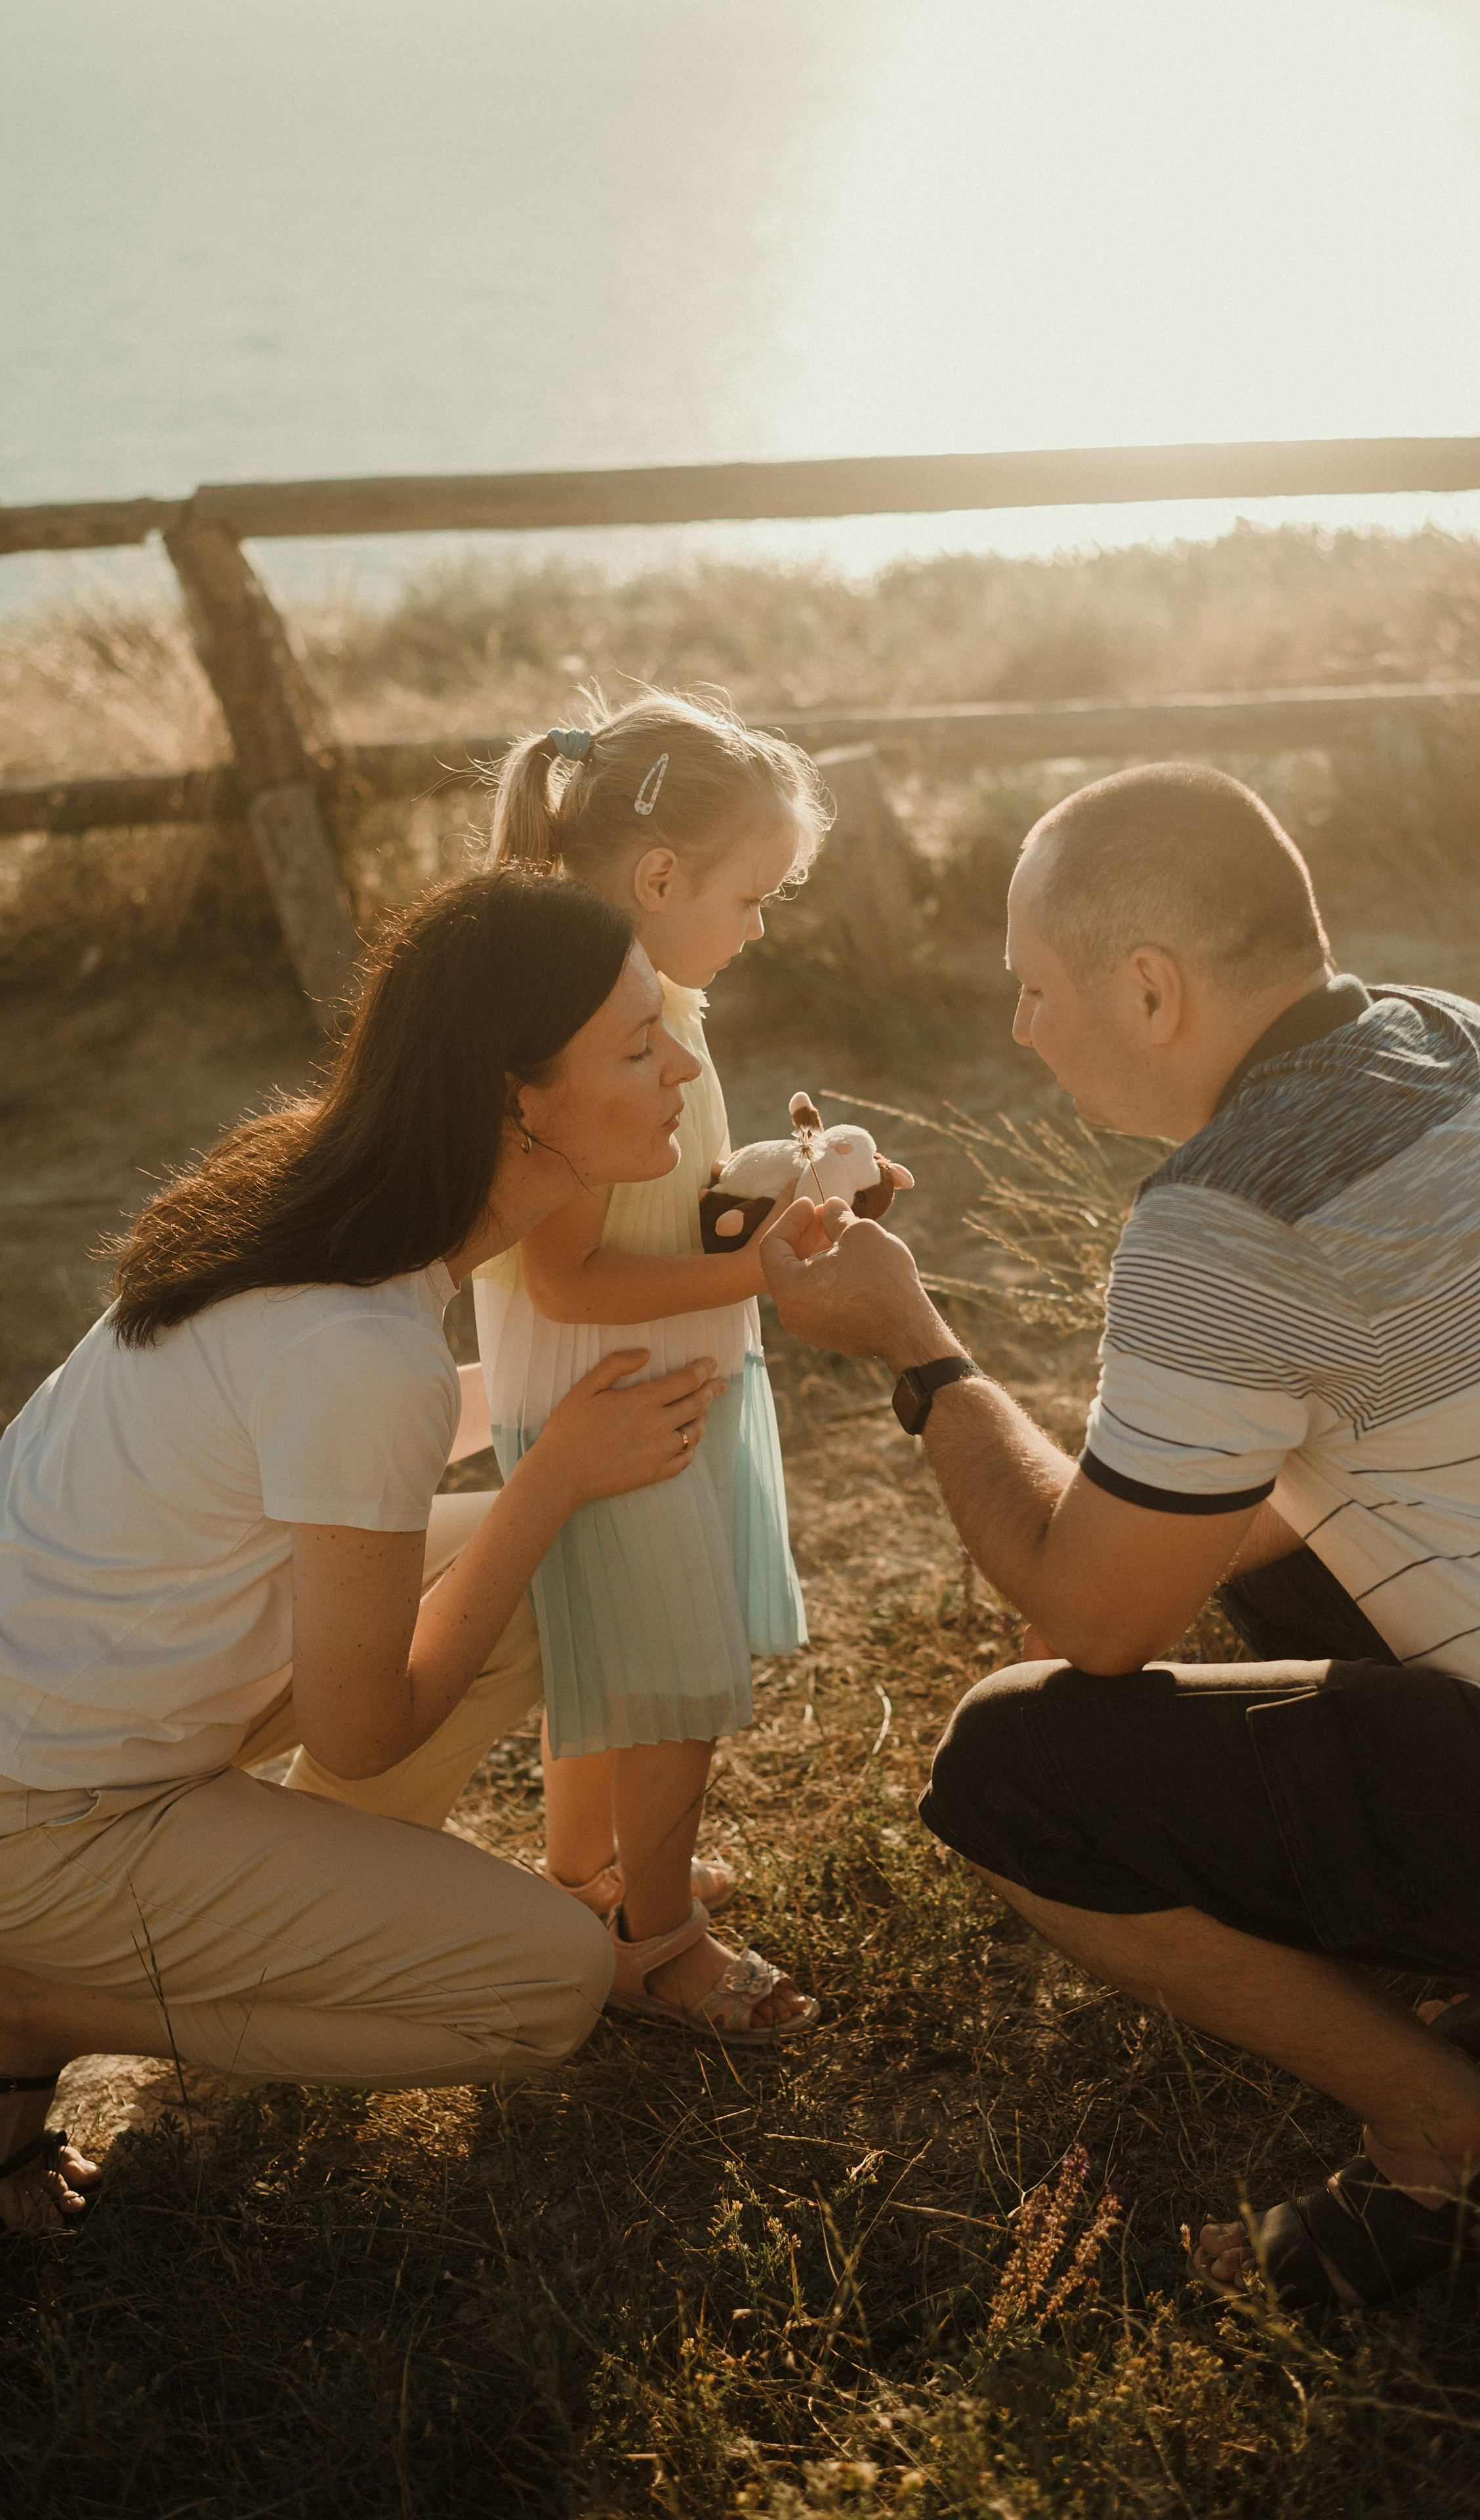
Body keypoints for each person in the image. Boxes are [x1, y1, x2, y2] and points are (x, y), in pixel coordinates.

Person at [760, 760, 1480, 2315]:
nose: (1018, 1032)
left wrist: (917, 1350)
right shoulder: (1457, 1040)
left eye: (1034, 990)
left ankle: (1460, 2147)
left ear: (1146, 987)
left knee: (1014, 1772)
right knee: (1239, 1526)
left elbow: (1092, 1623)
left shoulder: (1223, 1222)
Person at [0, 869, 729, 2236]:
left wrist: (547, 1451)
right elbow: (367, 1718)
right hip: (39, 1825)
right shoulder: (360, 1347)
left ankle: (306, 1899)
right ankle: (36, 2004)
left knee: (536, 1574)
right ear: (518, 1100)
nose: (681, 1063)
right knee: (547, 1987)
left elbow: (327, 1458)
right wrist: (549, 1476)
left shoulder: (311, 1178)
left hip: (77, 1709)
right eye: (637, 1045)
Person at [482, 696, 890, 2042]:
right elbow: (567, 1273)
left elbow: (655, 1200)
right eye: (752, 894)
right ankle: (660, 1944)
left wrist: (779, 1195)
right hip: (620, 1400)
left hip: (649, 1382)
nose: (761, 923)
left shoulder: (650, 1006)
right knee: (666, 1690)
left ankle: (586, 1880)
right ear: (659, 878)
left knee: (618, 1665)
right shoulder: (599, 1026)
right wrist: (758, 1271)